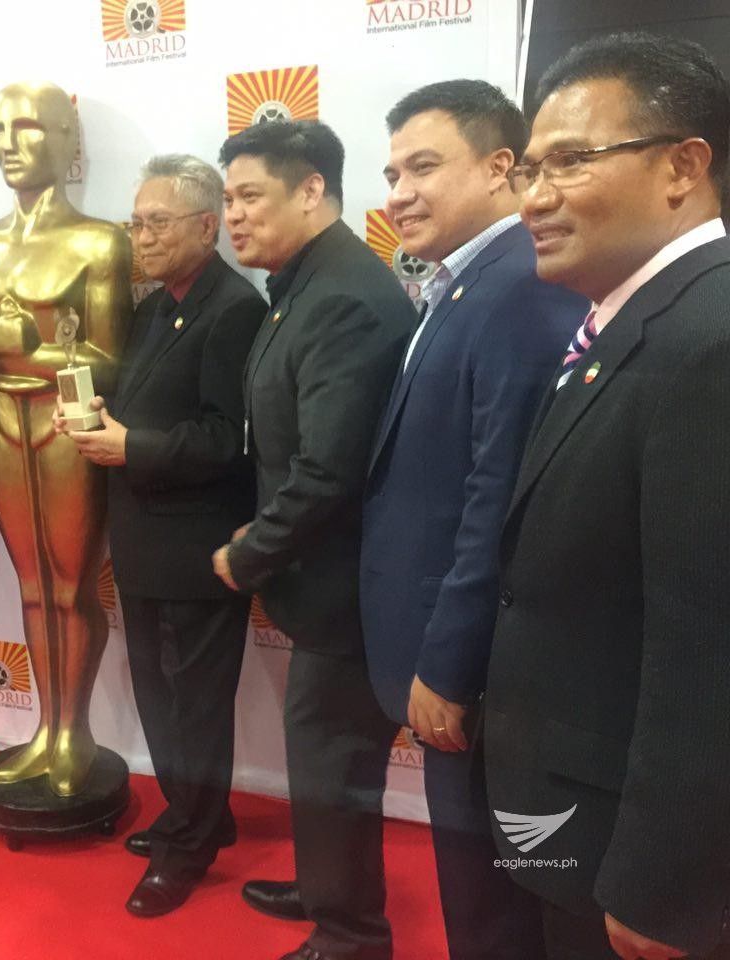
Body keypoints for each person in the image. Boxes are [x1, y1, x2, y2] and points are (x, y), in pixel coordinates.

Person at [487, 32, 730, 960]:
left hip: (638, 853)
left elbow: (708, 649)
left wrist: (667, 885)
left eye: (571, 162)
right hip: (578, 802)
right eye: (531, 168)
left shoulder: (709, 341)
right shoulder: (631, 318)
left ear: (683, 165)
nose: (535, 197)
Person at [361, 80, 586, 959]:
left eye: (423, 166)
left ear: (501, 169)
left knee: (495, 896)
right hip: (439, 646)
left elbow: (499, 502)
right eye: (390, 172)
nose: (398, 192)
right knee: (475, 880)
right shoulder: (463, 283)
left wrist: (448, 666)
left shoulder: (520, 288)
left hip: (473, 668)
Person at [211, 121, 416, 960]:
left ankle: (351, 934)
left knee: (333, 766)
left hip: (343, 590)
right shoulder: (302, 282)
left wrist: (248, 553)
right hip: (322, 584)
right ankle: (327, 888)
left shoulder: (341, 298)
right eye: (226, 200)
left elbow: (327, 472)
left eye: (250, 196)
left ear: (311, 191)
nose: (234, 217)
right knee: (321, 764)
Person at [55, 155, 262, 916]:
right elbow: (140, 398)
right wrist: (88, 412)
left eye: (157, 222)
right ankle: (200, 814)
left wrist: (128, 447)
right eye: (135, 222)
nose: (139, 236)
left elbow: (226, 440)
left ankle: (191, 845)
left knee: (191, 709)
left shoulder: (233, 309)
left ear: (208, 226)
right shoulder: (156, 305)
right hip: (145, 544)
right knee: (164, 701)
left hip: (196, 551)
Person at [0, 82, 132, 798]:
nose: (8, 142)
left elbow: (113, 363)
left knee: (69, 586)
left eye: (27, 127)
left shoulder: (100, 241)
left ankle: (74, 736)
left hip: (67, 427)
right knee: (31, 587)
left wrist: (22, 346)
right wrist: (7, 350)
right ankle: (43, 730)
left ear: (66, 139)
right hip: (2, 422)